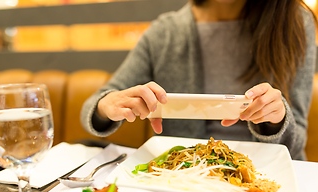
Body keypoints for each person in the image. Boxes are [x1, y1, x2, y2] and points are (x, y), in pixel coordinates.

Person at [81, 0, 317, 160]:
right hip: (178, 177)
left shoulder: (295, 23)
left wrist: (274, 120)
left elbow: (296, 143)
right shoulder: (165, 32)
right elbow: (94, 107)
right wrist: (107, 105)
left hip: (266, 177)